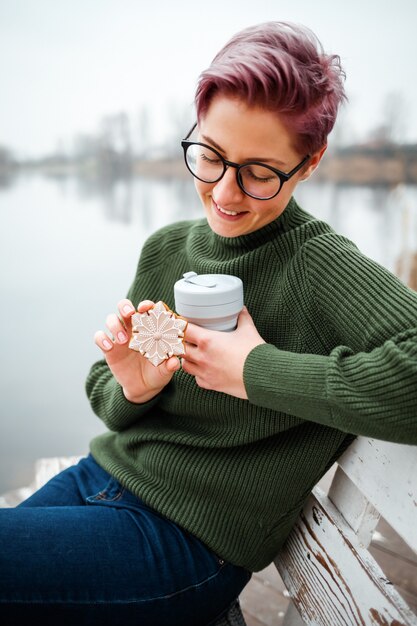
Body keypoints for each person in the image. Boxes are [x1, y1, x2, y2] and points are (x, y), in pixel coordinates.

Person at [1, 20, 417, 626]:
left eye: (260, 170)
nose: (226, 191)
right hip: (103, 477)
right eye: (211, 156)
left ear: (310, 161)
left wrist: (254, 371)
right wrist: (136, 387)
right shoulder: (170, 252)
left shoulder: (317, 266)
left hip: (186, 544)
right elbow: (108, 391)